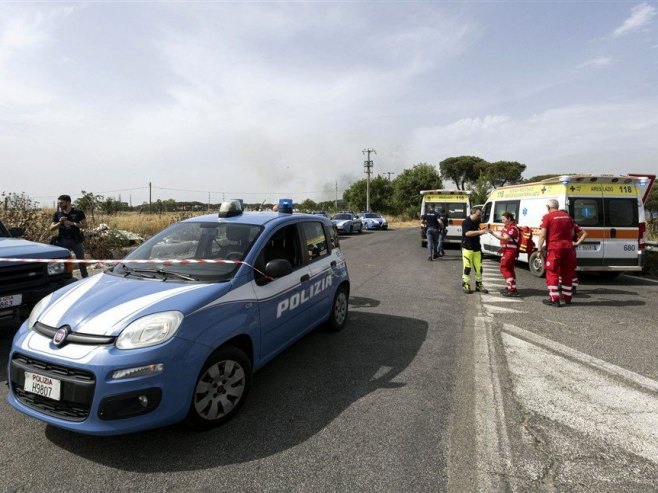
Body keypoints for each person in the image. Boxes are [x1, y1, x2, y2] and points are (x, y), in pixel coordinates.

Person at [536, 199, 578, 307]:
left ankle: (554, 299)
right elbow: (572, 233)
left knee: (552, 272)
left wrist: (539, 249)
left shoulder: (547, 217)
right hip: (568, 248)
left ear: (548, 207)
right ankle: (567, 298)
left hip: (555, 248)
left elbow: (542, 235)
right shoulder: (567, 217)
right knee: (567, 273)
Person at [50, 194, 88, 278]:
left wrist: (73, 224)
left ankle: (85, 277)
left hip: (76, 240)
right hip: (63, 241)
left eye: (61, 203)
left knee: (81, 260)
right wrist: (59, 223)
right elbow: (51, 228)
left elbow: (85, 225)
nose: (59, 205)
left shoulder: (78, 212)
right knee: (63, 261)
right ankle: (66, 278)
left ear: (68, 202)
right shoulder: (57, 214)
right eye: (58, 203)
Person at [488, 211, 520, 297]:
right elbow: (508, 241)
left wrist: (492, 233)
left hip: (510, 251)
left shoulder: (512, 228)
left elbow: (505, 239)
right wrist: (503, 248)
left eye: (504, 219)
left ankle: (512, 289)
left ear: (509, 219)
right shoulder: (508, 227)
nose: (502, 221)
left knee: (504, 268)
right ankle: (512, 287)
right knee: (509, 269)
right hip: (508, 250)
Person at [461, 206, 489, 293]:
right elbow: (468, 233)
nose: (479, 217)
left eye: (480, 215)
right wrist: (480, 232)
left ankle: (479, 284)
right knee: (467, 267)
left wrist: (483, 231)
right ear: (472, 213)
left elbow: (477, 233)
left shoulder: (477, 221)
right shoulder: (466, 222)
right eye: (478, 215)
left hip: (477, 248)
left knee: (479, 267)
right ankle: (466, 284)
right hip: (467, 248)